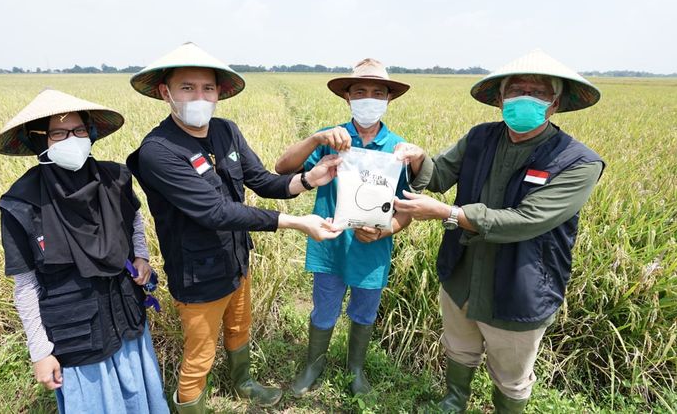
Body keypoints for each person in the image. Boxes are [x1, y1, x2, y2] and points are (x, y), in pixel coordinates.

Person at [126, 42, 343, 413]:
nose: (200, 96)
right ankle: (191, 404)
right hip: (197, 273)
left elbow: (262, 180)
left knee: (239, 327)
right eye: (187, 88)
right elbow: (215, 213)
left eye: (207, 88)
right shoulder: (158, 151)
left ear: (218, 94)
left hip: (236, 260)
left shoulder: (226, 131)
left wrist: (309, 179)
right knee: (200, 353)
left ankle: (242, 382)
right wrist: (295, 223)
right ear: (166, 93)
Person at [394, 49, 605, 413]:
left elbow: (528, 220)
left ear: (554, 104)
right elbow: (439, 175)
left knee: (511, 374)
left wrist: (448, 213)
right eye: (516, 89)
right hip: (463, 272)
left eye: (537, 92)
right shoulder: (480, 138)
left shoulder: (578, 162)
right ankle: (453, 401)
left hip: (520, 284)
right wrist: (418, 159)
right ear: (501, 98)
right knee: (459, 346)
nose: (525, 97)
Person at [0, 89, 170, 413]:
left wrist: (141, 257)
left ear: (90, 132)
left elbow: (134, 220)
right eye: (58, 133)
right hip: (77, 338)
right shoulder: (21, 205)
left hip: (126, 322)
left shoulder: (115, 178)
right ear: (38, 141)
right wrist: (40, 352)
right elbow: (26, 285)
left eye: (78, 130)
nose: (70, 139)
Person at [274, 58, 414, 397]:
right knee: (324, 307)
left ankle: (355, 370)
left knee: (365, 310)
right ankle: (314, 365)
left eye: (377, 92)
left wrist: (388, 229)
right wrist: (314, 138)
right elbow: (281, 168)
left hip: (373, 247)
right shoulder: (332, 139)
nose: (369, 98)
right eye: (360, 91)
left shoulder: (398, 149)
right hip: (331, 243)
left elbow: (407, 208)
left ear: (388, 99)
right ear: (348, 98)